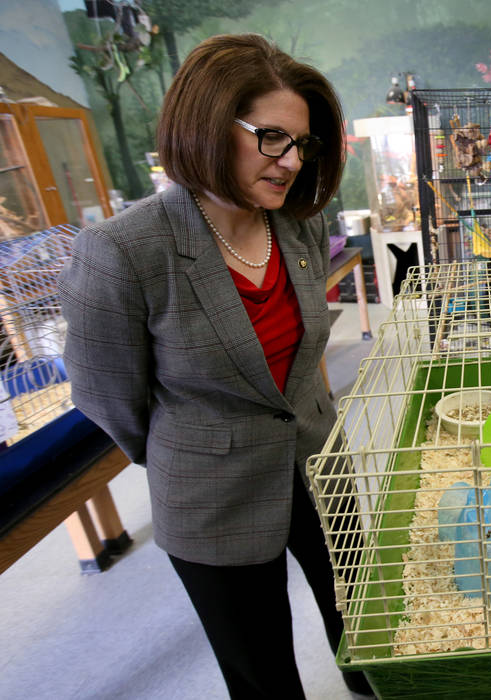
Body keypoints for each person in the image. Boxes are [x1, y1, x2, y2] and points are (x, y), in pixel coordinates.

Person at [58, 34, 372, 699]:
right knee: (260, 669)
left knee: (362, 619)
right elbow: (110, 398)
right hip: (212, 495)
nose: (289, 162)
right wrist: (198, 446)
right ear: (207, 125)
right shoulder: (123, 250)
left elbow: (301, 362)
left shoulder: (299, 224)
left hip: (317, 462)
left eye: (303, 144)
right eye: (271, 138)